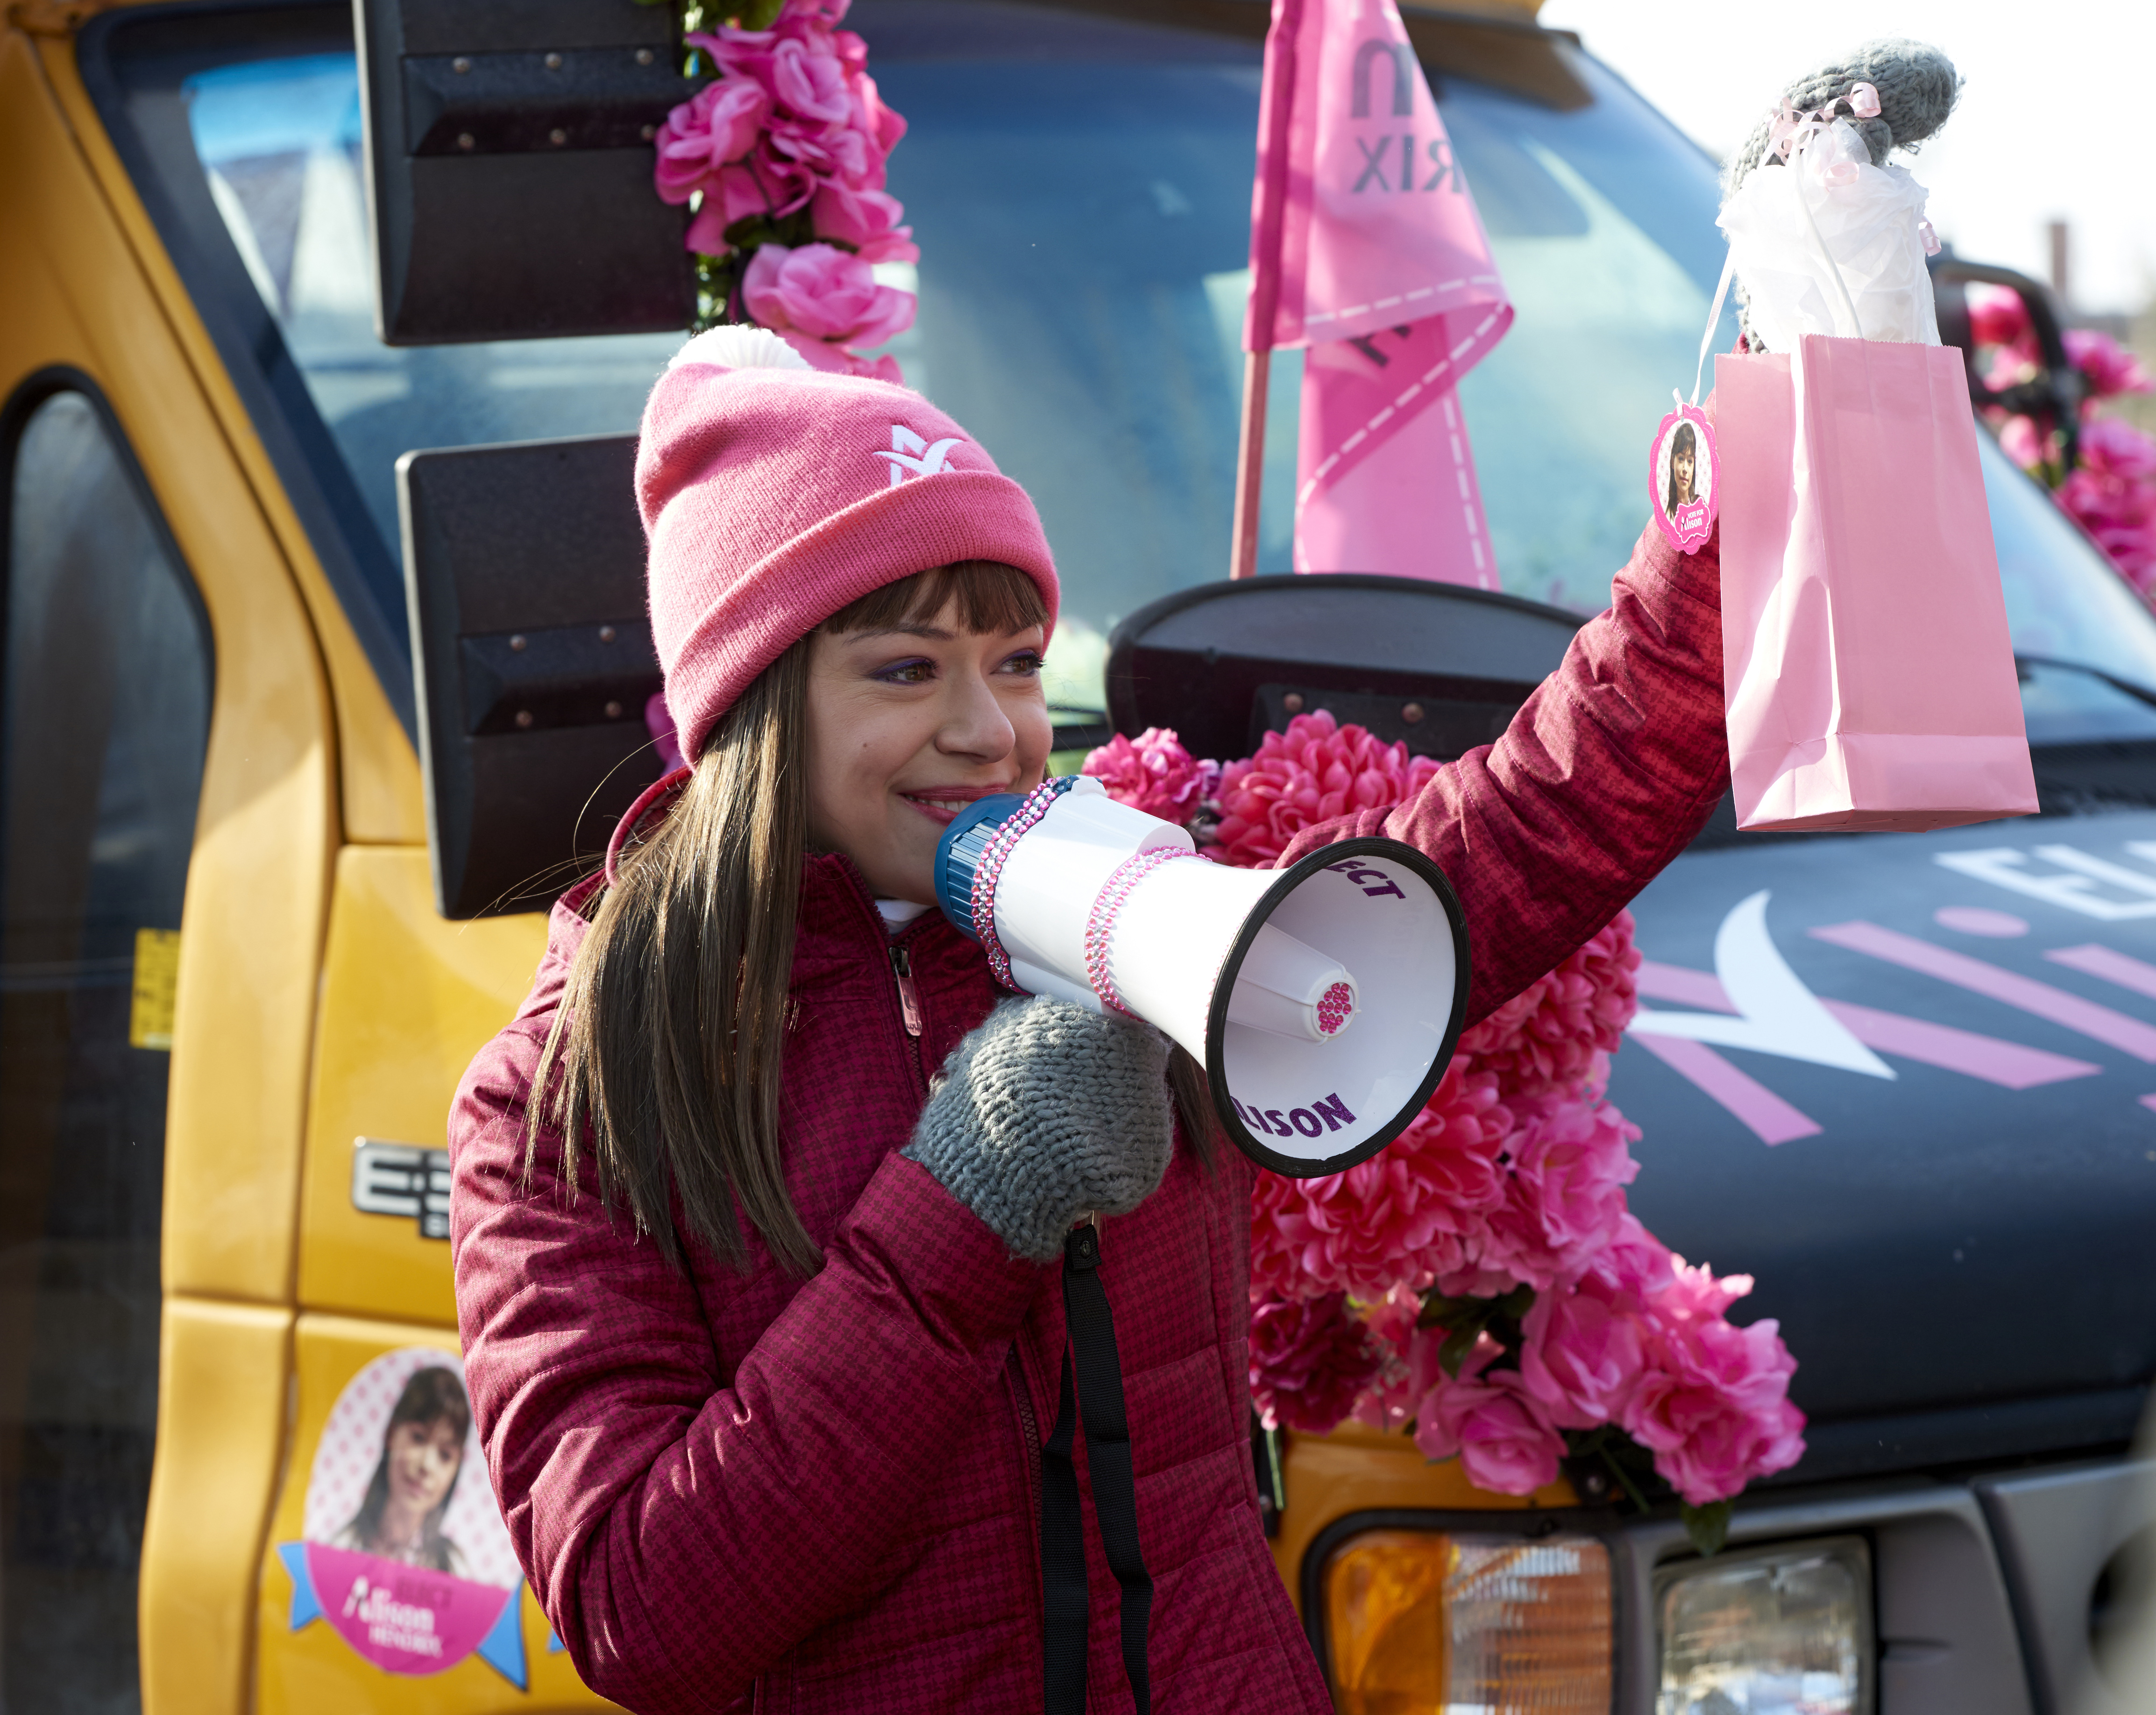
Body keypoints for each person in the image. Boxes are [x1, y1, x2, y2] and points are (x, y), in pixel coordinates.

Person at [447, 324, 1733, 1714]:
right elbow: (645, 1609)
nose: (989, 730)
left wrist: (1722, 530)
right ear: (749, 699)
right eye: (904, 669)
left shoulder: (1116, 891)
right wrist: (968, 1201)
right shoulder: (567, 1089)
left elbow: (1528, 823)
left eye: (1011, 661)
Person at [328, 1366, 475, 1580]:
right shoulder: (341, 1546)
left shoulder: (456, 1568)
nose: (427, 1465)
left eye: (445, 1455)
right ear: (391, 1434)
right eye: (418, 1438)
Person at [1666, 419, 1701, 514]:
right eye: (1681, 459)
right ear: (1673, 462)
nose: (1685, 469)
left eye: (1690, 461)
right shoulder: (1667, 514)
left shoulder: (1700, 507)